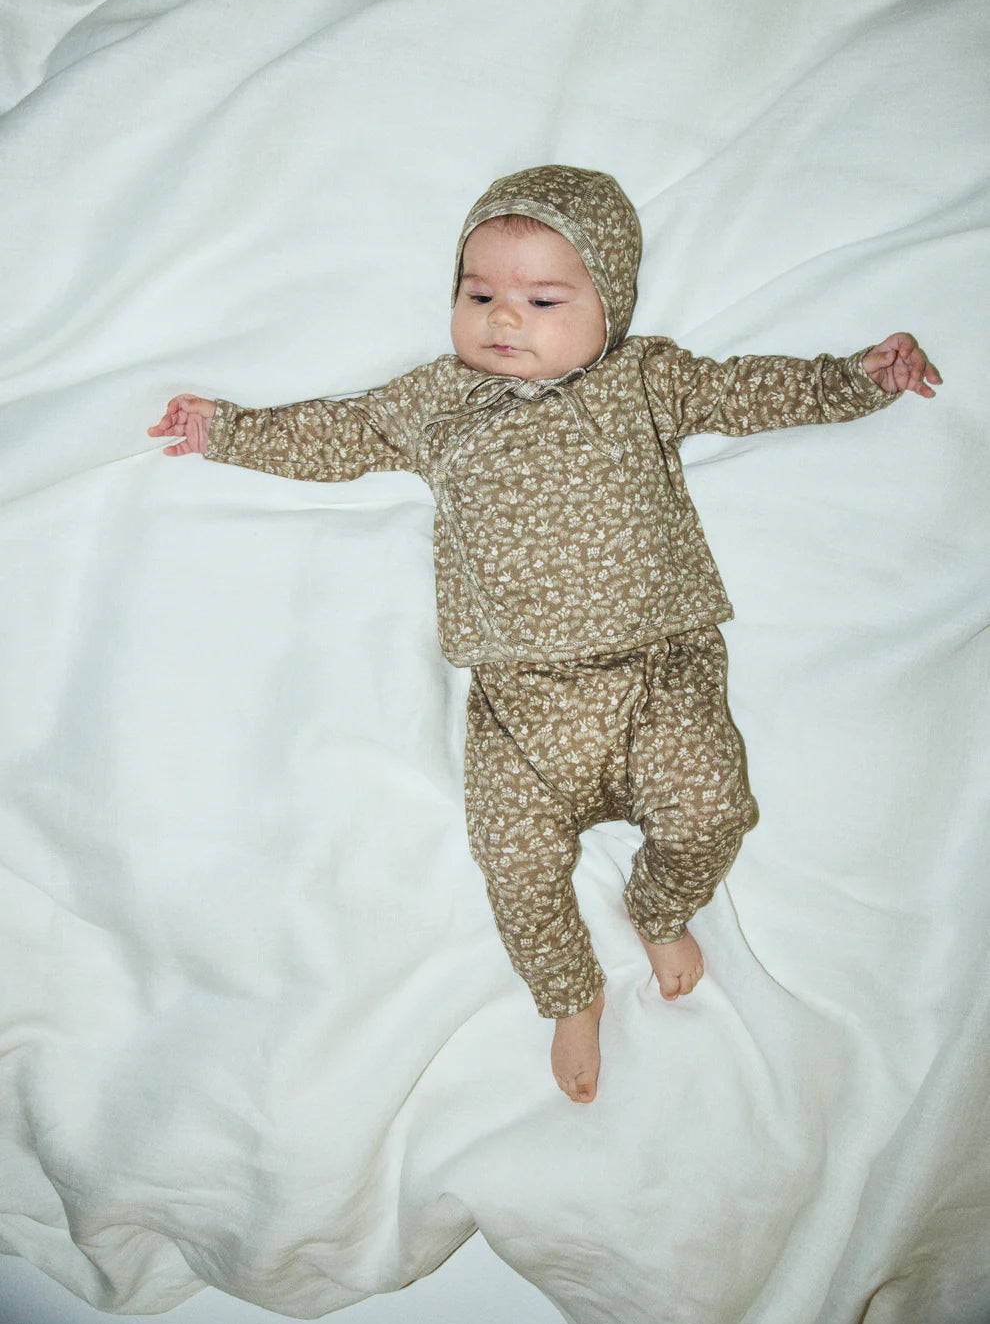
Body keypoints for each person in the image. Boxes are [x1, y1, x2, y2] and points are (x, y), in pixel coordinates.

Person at [148, 164, 940, 1104]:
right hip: (519, 703)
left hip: (658, 670)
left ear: (611, 305)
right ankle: (570, 993)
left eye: (543, 299)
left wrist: (859, 378)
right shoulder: (438, 401)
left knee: (713, 811)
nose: (504, 319)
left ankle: (659, 907)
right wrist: (229, 431)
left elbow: (749, 393)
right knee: (513, 862)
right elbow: (339, 433)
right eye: (478, 294)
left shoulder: (644, 380)